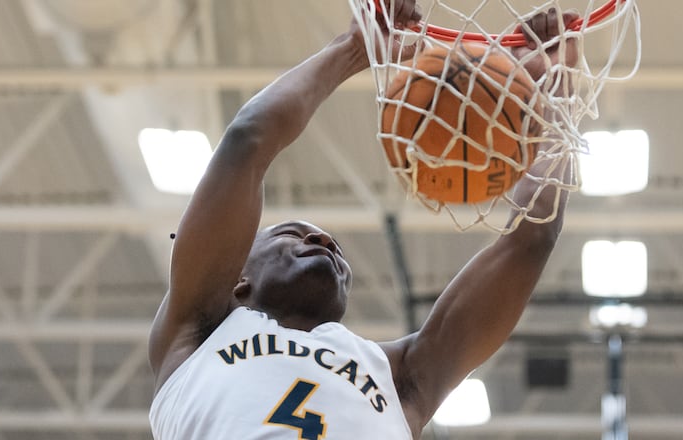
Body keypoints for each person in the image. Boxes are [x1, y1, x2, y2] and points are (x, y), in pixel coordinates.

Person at [148, 2, 578, 438]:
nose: (324, 241)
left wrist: (552, 97)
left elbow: (532, 238)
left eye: (331, 244)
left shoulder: (402, 377)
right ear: (238, 278)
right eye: (292, 234)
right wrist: (354, 48)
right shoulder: (199, 331)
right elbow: (248, 138)